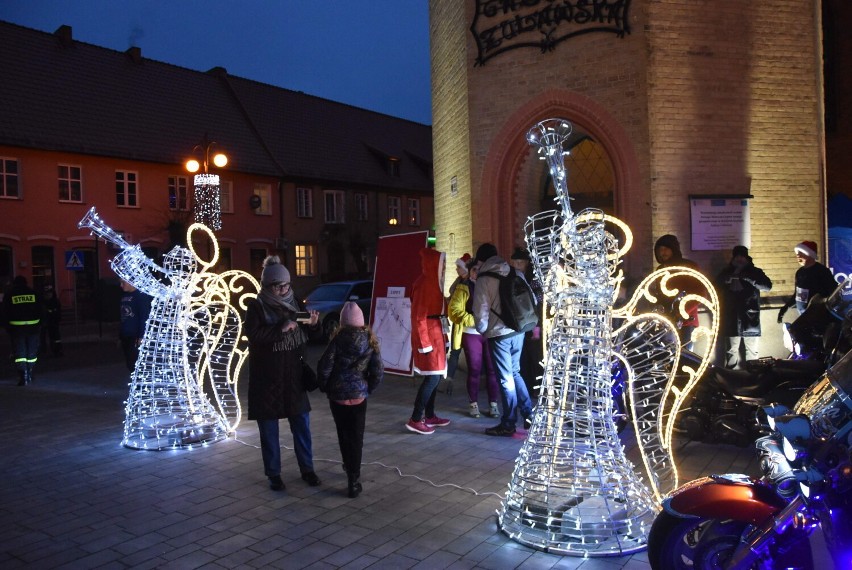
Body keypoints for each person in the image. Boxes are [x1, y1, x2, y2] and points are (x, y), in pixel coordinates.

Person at [245, 255, 321, 491]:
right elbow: (253, 337)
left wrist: (313, 324)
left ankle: (307, 469)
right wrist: (281, 329)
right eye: (279, 287)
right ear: (267, 286)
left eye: (287, 285)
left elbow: (311, 337)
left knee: (302, 426)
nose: (284, 290)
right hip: (267, 379)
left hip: (293, 376)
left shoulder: (295, 302)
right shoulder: (256, 306)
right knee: (269, 431)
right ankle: (274, 474)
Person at [316, 301, 383, 498]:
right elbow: (378, 371)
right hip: (359, 397)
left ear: (343, 323)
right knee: (357, 437)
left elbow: (324, 367)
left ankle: (348, 466)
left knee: (343, 435)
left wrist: (325, 387)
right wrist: (367, 388)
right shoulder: (371, 342)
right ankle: (354, 479)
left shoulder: (336, 341)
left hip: (338, 397)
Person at [472, 243, 534, 436]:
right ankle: (528, 415)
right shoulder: (515, 273)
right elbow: (532, 299)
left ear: (481, 261)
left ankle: (508, 422)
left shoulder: (484, 278)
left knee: (505, 378)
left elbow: (480, 309)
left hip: (499, 334)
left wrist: (483, 330)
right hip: (519, 330)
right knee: (515, 373)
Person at [405, 247, 451, 435]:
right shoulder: (425, 284)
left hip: (436, 333)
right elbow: (418, 317)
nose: (445, 267)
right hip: (430, 337)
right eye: (443, 264)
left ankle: (429, 415)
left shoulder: (433, 282)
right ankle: (416, 418)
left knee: (435, 375)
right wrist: (424, 344)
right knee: (432, 377)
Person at [448, 257, 500, 418]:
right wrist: (475, 320)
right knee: (475, 369)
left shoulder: (492, 286)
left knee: (492, 370)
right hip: (471, 334)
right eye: (474, 269)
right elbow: (454, 311)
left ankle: (493, 404)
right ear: (470, 271)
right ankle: (473, 403)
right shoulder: (463, 288)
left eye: (480, 269)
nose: (478, 272)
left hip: (490, 333)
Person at [715, 245, 772, 368]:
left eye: (742, 256)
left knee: (752, 351)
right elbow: (715, 285)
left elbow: (767, 286)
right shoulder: (727, 272)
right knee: (731, 351)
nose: (740, 259)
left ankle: (753, 377)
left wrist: (749, 279)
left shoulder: (755, 272)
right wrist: (726, 280)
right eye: (737, 256)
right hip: (732, 317)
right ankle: (730, 378)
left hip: (749, 318)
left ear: (747, 258)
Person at [653, 234, 704, 350]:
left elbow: (699, 293)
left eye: (666, 249)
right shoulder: (661, 270)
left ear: (673, 249)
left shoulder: (688, 266)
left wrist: (682, 312)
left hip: (686, 322)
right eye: (660, 250)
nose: (662, 252)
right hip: (667, 321)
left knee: (685, 356)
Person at [510, 246, 544, 399]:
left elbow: (538, 303)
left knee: (535, 357)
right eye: (515, 262)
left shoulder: (533, 280)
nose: (517, 266)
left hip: (532, 323)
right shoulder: (513, 278)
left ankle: (537, 387)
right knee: (522, 358)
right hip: (518, 324)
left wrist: (537, 325)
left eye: (520, 263)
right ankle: (525, 387)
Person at [778, 240, 837, 322]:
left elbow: (833, 291)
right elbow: (797, 294)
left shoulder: (822, 271)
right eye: (797, 253)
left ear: (810, 254)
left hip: (817, 317)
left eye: (801, 252)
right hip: (803, 315)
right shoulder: (800, 272)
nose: (797, 255)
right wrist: (786, 307)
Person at [3, 275, 43, 386]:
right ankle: (30, 373)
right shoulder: (33, 293)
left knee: (20, 352)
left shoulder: (10, 295)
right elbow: (41, 309)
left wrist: (7, 327)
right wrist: (41, 324)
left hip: (17, 329)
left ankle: (23, 377)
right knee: (31, 352)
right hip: (33, 328)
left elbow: (5, 312)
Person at [445, 253, 471, 384]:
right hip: (458, 321)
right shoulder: (459, 280)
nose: (456, 269)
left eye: (458, 267)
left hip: (468, 323)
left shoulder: (471, 282)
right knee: (455, 351)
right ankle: (449, 379)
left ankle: (475, 379)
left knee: (470, 353)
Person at [118, 280, 152, 372]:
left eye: (123, 283)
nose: (121, 285)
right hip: (126, 335)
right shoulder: (125, 295)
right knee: (129, 362)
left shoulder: (141, 296)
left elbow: (144, 317)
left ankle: (137, 383)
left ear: (130, 282)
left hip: (135, 336)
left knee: (134, 362)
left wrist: (141, 336)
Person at [42, 285, 63, 356]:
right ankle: (43, 350)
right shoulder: (43, 301)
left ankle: (57, 350)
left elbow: (57, 311)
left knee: (55, 337)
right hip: (45, 321)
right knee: (43, 337)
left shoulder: (55, 301)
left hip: (53, 321)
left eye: (49, 292)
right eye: (46, 293)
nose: (48, 294)